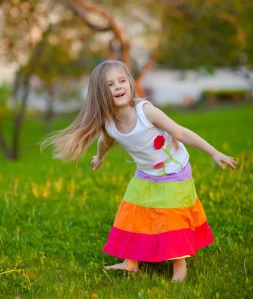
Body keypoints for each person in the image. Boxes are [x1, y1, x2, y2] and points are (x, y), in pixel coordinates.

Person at [42, 60, 237, 282]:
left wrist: (214, 152)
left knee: (172, 219)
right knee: (131, 214)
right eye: (110, 84)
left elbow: (181, 133)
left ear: (131, 83)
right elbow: (104, 142)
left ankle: (179, 267)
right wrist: (100, 157)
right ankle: (130, 262)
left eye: (122, 80)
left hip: (174, 172)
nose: (118, 87)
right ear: (100, 93)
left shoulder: (146, 112)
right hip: (146, 174)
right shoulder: (109, 123)